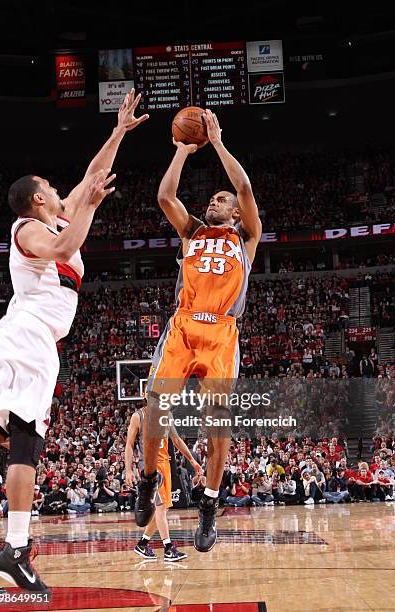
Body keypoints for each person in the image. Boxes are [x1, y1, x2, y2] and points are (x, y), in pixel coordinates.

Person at [0, 90, 148, 592]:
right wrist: (89, 207)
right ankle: (16, 547)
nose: (64, 192)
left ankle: (2, 530)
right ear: (38, 198)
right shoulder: (30, 230)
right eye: (53, 188)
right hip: (27, 339)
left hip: (18, 342)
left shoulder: (55, 216)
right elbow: (65, 245)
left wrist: (119, 131)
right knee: (25, 441)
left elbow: (91, 176)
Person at [134, 109, 262, 554]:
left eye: (220, 200)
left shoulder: (246, 237)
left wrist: (219, 143)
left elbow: (244, 188)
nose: (215, 201)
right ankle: (149, 482)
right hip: (184, 324)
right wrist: (182, 152)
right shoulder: (192, 231)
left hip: (223, 331)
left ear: (234, 212)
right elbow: (166, 196)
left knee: (217, 424)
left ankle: (209, 500)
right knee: (155, 407)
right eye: (212, 200)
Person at [126, 403, 201, 561]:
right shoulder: (138, 416)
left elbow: (177, 440)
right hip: (150, 468)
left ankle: (143, 543)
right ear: (145, 395)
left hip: (165, 464)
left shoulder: (167, 415)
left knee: (161, 510)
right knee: (160, 508)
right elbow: (129, 444)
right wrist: (128, 469)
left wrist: (193, 461)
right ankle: (168, 548)